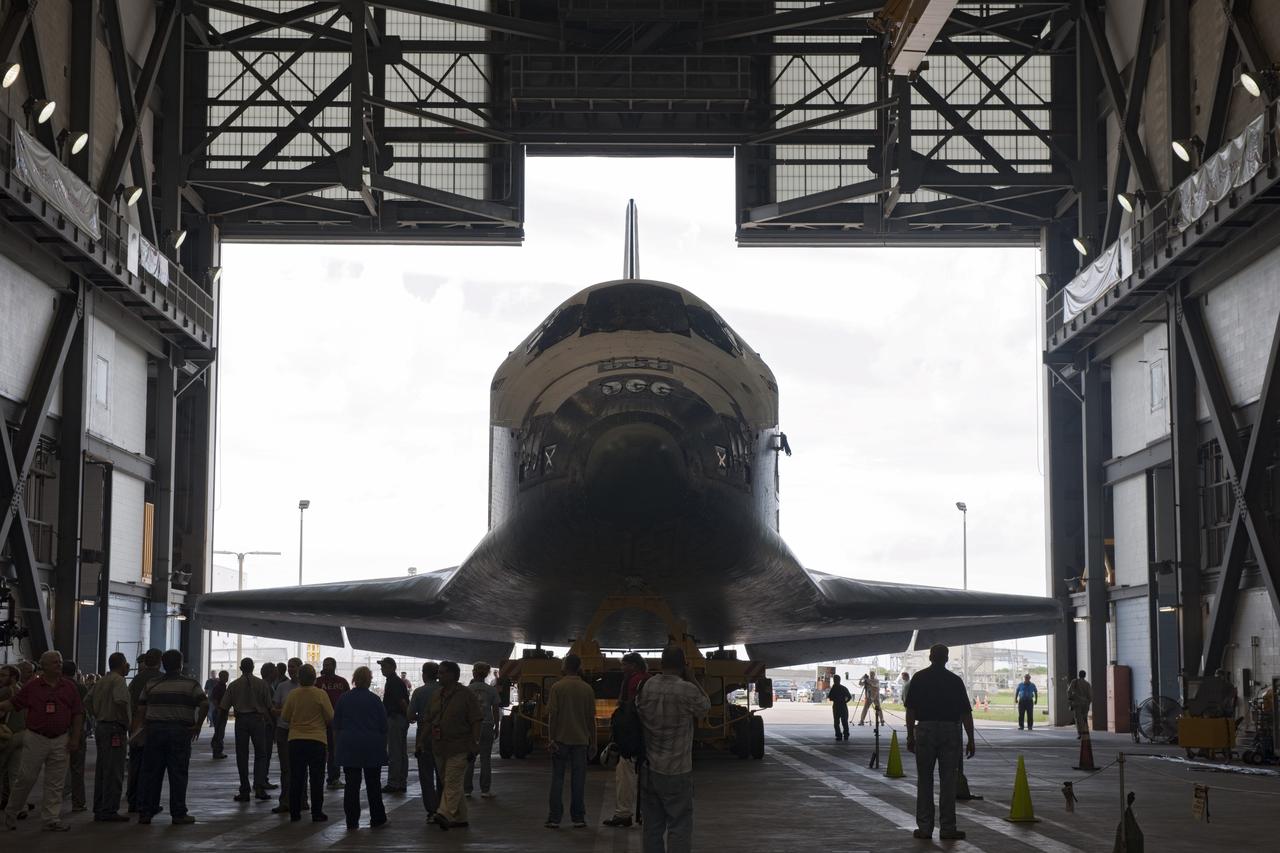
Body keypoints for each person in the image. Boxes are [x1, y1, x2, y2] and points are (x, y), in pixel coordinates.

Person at [635, 646, 710, 853]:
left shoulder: (648, 685)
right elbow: (705, 708)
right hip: (677, 770)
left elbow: (638, 709)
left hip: (650, 769)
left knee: (652, 827)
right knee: (679, 825)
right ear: (684, 665)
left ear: (661, 663)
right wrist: (693, 679)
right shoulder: (687, 689)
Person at [0, 650, 84, 831]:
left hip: (61, 738)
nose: (59, 664)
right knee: (26, 777)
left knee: (56, 781)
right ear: (43, 665)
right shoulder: (33, 686)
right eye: (54, 662)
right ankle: (12, 812)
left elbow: (77, 713)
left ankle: (51, 818)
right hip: (36, 737)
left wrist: (75, 738)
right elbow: (14, 704)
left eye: (60, 661)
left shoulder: (69, 687)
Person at [904, 643, 975, 842]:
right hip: (949, 731)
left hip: (925, 730)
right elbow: (966, 713)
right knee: (948, 781)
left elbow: (911, 710)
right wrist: (971, 738)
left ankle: (925, 828)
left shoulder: (919, 678)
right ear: (946, 658)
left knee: (924, 780)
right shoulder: (954, 680)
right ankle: (948, 828)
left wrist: (911, 735)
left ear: (930, 657)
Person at [134, 648, 207, 825]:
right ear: (180, 664)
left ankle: (146, 812)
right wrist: (197, 725)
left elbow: (141, 709)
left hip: (155, 732)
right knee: (178, 773)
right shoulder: (191, 684)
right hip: (180, 732)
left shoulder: (151, 684)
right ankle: (178, 813)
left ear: (163, 664)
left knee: (151, 773)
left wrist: (139, 730)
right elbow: (204, 703)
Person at [426, 660, 480, 831]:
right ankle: (460, 817)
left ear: (452, 675)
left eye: (442, 673)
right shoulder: (436, 695)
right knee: (451, 782)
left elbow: (476, 720)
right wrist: (421, 741)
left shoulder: (466, 695)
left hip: (460, 746)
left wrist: (475, 743)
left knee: (452, 780)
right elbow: (428, 719)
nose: (438, 675)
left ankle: (444, 813)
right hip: (440, 747)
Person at [545, 654, 596, 830]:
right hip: (581, 741)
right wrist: (594, 742)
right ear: (579, 666)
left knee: (557, 779)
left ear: (565, 666)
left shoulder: (557, 687)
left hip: (560, 740)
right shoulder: (587, 689)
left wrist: (551, 738)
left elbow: (553, 715)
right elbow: (591, 719)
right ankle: (578, 818)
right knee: (578, 780)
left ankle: (554, 818)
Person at [333, 666, 387, 830]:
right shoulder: (375, 700)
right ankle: (377, 818)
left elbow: (336, 725)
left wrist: (337, 746)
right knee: (373, 784)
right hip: (372, 746)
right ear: (369, 679)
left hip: (349, 746)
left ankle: (352, 820)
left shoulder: (344, 698)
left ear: (354, 679)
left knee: (351, 785)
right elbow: (384, 726)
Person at [281, 664, 334, 822]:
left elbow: (284, 717)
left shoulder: (293, 694)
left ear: (299, 677)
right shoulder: (321, 694)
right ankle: (317, 812)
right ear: (314, 678)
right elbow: (330, 717)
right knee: (317, 778)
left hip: (296, 740)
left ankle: (295, 812)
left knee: (296, 777)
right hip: (317, 740)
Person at [604, 651, 649, 828]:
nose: (622, 667)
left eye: (625, 664)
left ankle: (623, 813)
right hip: (644, 733)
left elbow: (626, 706)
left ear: (634, 665)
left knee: (625, 774)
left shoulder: (633, 681)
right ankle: (645, 813)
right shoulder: (647, 679)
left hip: (631, 734)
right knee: (645, 776)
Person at [221, 657, 274, 802]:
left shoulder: (233, 685)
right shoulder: (262, 684)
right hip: (258, 720)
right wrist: (272, 724)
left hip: (241, 721)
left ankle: (244, 790)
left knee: (242, 755)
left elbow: (224, 707)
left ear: (240, 668)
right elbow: (269, 706)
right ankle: (259, 787)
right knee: (261, 754)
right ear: (253, 667)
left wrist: (220, 730)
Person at [88, 652, 131, 822]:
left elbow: (87, 700)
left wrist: (97, 714)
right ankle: (110, 810)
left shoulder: (101, 680)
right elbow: (120, 701)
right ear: (122, 664)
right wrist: (123, 721)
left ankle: (99, 807)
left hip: (102, 726)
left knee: (102, 769)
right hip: (115, 728)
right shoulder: (119, 680)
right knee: (114, 769)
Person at [125, 648, 162, 814]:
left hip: (135, 727)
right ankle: (147, 802)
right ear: (160, 661)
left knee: (135, 765)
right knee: (152, 767)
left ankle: (133, 801)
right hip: (154, 728)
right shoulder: (161, 679)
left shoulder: (136, 679)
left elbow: (128, 701)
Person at [271, 658, 304, 814]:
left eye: (294, 667)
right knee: (286, 768)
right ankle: (285, 801)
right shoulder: (282, 687)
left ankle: (302, 800)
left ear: (300, 668)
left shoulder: (307, 688)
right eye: (289, 667)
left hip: (301, 731)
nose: (291, 670)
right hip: (284, 730)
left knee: (302, 767)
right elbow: (274, 709)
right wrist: (286, 711)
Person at [409, 661, 441, 819]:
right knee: (442, 772)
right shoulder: (444, 690)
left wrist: (418, 717)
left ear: (424, 674)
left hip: (424, 734)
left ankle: (431, 809)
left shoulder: (419, 692)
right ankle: (443, 807)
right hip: (443, 735)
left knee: (426, 774)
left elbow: (410, 715)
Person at [464, 662, 500, 799]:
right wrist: (497, 726)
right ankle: (485, 790)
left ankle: (467, 790)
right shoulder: (491, 690)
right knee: (485, 759)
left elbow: (463, 710)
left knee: (469, 759)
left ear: (474, 673)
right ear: (486, 674)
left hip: (471, 726)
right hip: (486, 725)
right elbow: (496, 710)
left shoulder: (467, 690)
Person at [315, 658, 350, 789]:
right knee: (321, 751)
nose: (326, 667)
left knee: (335, 749)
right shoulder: (318, 682)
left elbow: (347, 699)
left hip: (337, 722)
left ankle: (333, 777)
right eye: (324, 665)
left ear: (334, 666)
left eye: (328, 665)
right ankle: (319, 776)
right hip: (321, 722)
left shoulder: (341, 682)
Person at [60, 660, 88, 813]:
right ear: (75, 671)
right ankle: (78, 803)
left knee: (56, 768)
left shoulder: (57, 686)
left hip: (58, 730)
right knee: (77, 768)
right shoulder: (81, 688)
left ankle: (54, 801)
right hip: (77, 729)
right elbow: (86, 708)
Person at [379, 657, 410, 793]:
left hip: (395, 718)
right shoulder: (394, 681)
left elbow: (401, 701)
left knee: (395, 752)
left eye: (384, 666)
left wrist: (407, 714)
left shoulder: (393, 682)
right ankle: (401, 782)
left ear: (392, 667)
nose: (381, 669)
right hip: (400, 718)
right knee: (401, 752)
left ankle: (394, 783)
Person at [0, 664, 26, 818]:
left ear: (13, 677)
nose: (0, 678)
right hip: (21, 734)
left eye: (3, 675)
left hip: (6, 735)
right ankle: (19, 808)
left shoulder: (4, 691)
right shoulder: (22, 688)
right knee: (15, 774)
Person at [209, 670, 230, 758]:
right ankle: (217, 751)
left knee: (219, 732)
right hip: (220, 712)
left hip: (222, 712)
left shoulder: (222, 686)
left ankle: (217, 750)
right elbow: (215, 700)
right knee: (219, 732)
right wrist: (219, 710)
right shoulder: (219, 687)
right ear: (222, 677)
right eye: (226, 676)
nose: (227, 678)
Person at [1067, 670, 1092, 738]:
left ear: (1079, 675)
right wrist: (1088, 703)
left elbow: (1069, 691)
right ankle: (1086, 733)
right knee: (1084, 719)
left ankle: (1080, 734)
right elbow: (1090, 696)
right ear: (1085, 676)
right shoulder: (1087, 684)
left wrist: (1070, 699)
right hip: (1085, 704)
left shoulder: (1074, 682)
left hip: (1077, 703)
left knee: (1078, 719)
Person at [827, 674, 852, 741]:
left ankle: (838, 735)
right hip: (843, 706)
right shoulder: (843, 688)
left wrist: (836, 699)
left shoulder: (833, 688)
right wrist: (845, 701)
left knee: (836, 722)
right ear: (839, 680)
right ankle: (846, 735)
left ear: (834, 680)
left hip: (836, 706)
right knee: (844, 722)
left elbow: (830, 698)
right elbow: (849, 697)